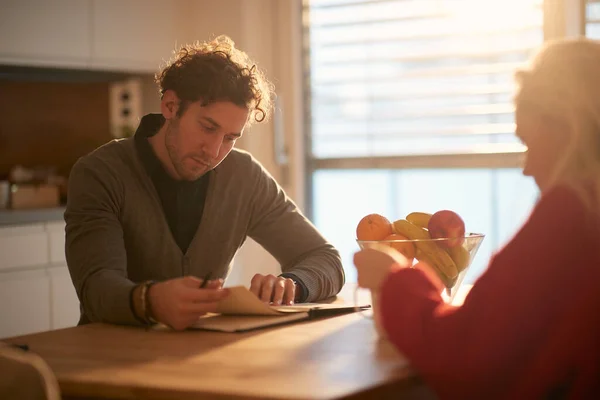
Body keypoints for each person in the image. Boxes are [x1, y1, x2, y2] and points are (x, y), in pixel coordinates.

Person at [353, 37, 600, 399]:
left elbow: (468, 353)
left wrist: (394, 278)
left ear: (568, 129)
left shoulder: (573, 215)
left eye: (529, 143)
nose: (527, 169)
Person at [65, 35, 345, 331]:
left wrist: (294, 285)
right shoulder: (100, 173)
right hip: (107, 356)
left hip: (200, 355)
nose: (213, 152)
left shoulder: (244, 177)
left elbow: (326, 259)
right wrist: (150, 301)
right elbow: (95, 289)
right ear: (170, 106)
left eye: (229, 138)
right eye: (207, 127)